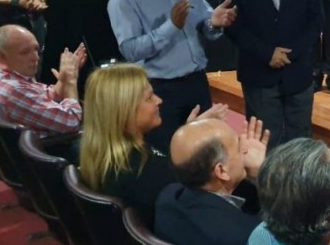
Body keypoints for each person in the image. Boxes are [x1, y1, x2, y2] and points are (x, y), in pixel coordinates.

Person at [108, 0, 237, 152]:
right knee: (169, 155)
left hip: (197, 83)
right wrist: (171, 26)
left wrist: (215, 22)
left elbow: (205, 25)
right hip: (159, 91)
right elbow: (130, 51)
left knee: (206, 152)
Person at [220, 0, 322, 149]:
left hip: (298, 74)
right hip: (259, 74)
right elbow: (231, 23)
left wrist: (289, 54)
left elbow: (316, 20)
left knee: (301, 146)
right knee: (266, 145)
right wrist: (268, 53)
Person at [79, 64, 227, 225]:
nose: (159, 100)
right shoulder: (147, 177)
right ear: (125, 112)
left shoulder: (107, 157)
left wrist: (187, 135)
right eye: (149, 98)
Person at [155, 117, 269, 245]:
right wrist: (262, 174)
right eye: (239, 147)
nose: (246, 150)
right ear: (221, 170)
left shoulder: (168, 197)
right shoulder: (247, 237)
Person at [0, 25, 86, 137]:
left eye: (36, 49)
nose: (36, 58)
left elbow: (44, 95)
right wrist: (70, 82)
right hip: (53, 144)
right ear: (1, 56)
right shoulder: (15, 90)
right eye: (25, 52)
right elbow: (71, 122)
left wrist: (64, 79)